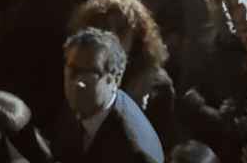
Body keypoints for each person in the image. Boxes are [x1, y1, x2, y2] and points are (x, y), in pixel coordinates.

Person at [52, 28, 165, 163]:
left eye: (90, 72)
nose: (78, 83)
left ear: (115, 79)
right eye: (73, 70)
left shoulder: (134, 151)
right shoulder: (81, 104)